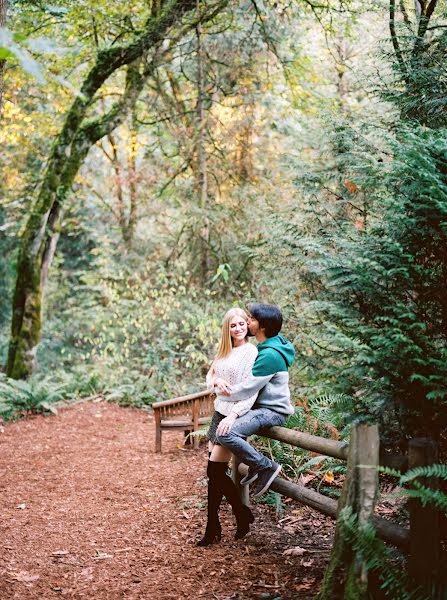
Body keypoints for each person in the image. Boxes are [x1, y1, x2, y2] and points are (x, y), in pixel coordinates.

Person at [216, 303, 295, 499]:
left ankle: (265, 466)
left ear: (261, 327)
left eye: (251, 319)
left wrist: (221, 392)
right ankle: (255, 466)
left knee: (226, 434)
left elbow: (247, 388)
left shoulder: (269, 355)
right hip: (262, 409)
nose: (247, 322)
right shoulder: (269, 346)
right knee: (226, 432)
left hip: (272, 411)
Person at [197, 307, 258, 547]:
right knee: (215, 474)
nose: (238, 328)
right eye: (233, 325)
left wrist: (234, 415)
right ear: (227, 329)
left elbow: (251, 389)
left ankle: (226, 521)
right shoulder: (225, 350)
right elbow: (210, 375)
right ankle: (223, 523)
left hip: (232, 416)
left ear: (247, 325)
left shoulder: (250, 352)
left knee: (214, 472)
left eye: (241, 323)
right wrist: (215, 381)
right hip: (219, 411)